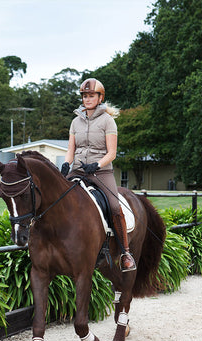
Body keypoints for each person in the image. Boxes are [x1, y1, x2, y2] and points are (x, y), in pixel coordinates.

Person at [61, 78, 136, 272]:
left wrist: (97, 164)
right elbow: (71, 149)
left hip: (101, 171)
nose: (87, 99)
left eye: (91, 95)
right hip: (77, 169)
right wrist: (66, 164)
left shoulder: (107, 121)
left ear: (100, 97)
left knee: (114, 206)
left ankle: (125, 253)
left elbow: (112, 152)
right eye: (85, 96)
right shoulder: (75, 121)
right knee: (56, 199)